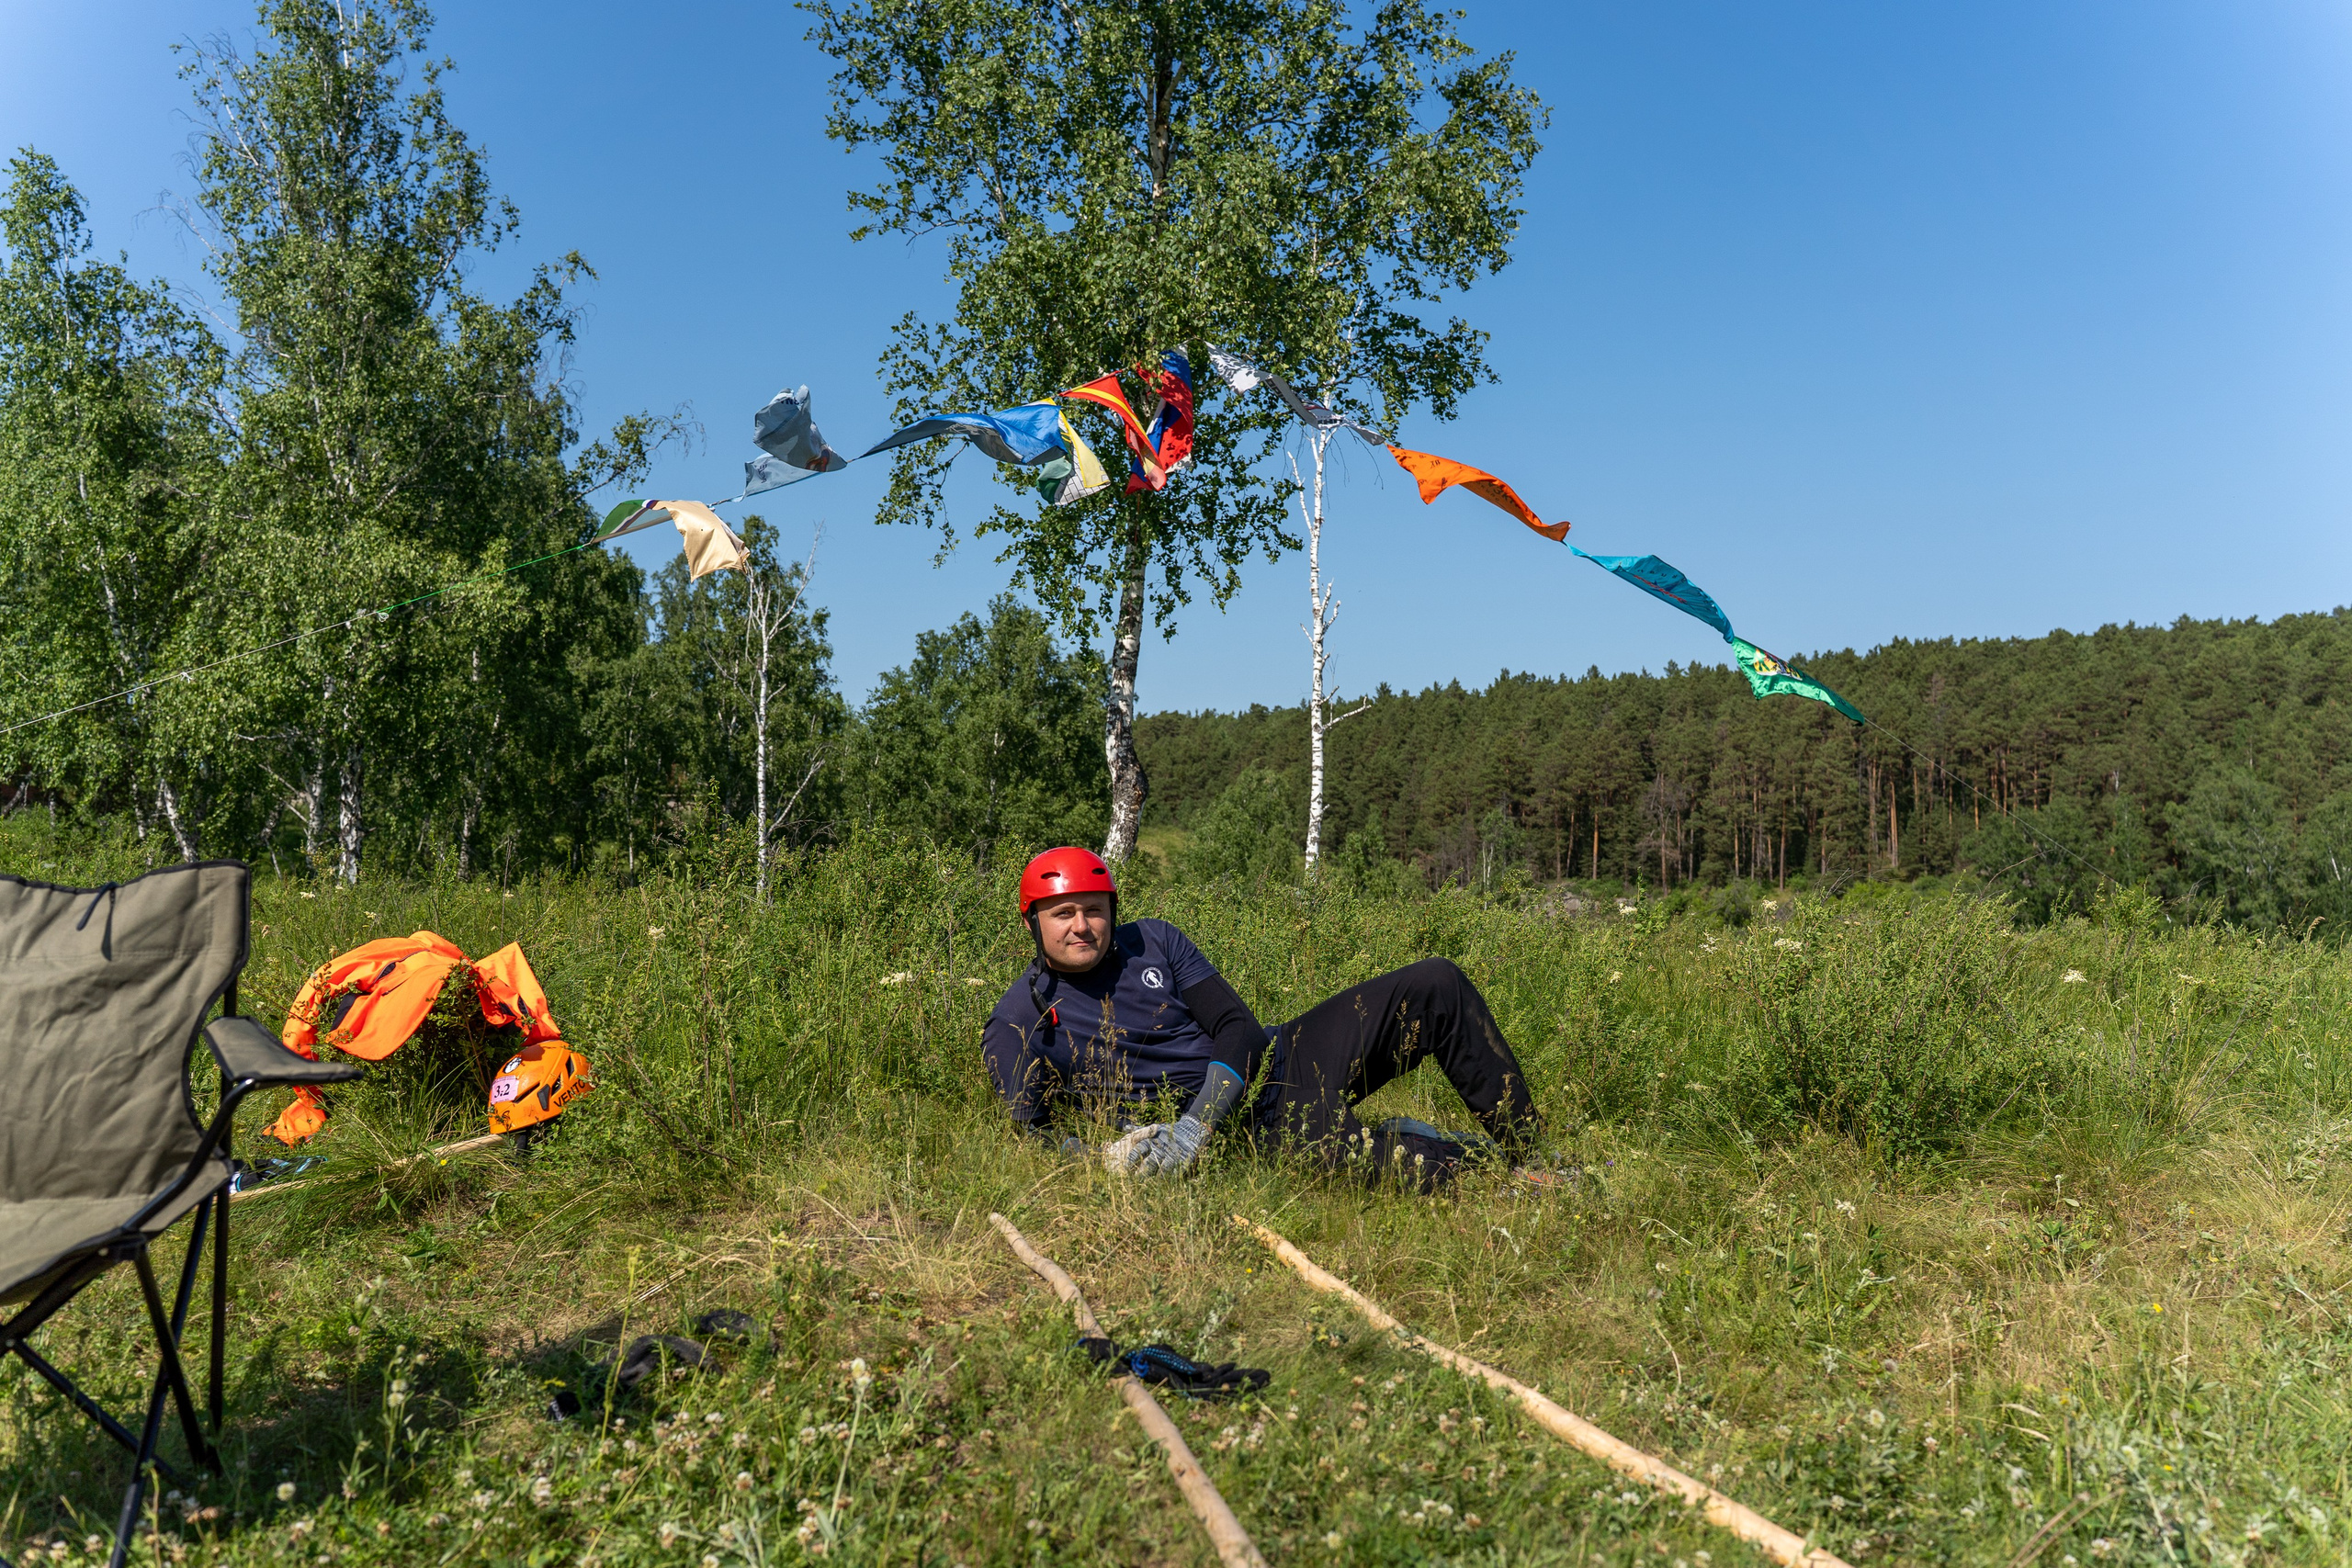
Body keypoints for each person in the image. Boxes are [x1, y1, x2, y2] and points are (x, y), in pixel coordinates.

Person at [980, 846, 1544, 1180]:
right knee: (1371, 1161)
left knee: (1436, 982)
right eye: (1063, 914)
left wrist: (1195, 1126)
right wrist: (1104, 1156)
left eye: (1094, 910)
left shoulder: (1153, 940)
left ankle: (1529, 1154)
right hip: (1248, 1131)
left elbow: (1239, 1028)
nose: (1082, 926)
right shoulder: (1017, 1020)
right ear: (1033, 922)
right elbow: (1033, 1132)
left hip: (1276, 1061)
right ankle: (1475, 1164)